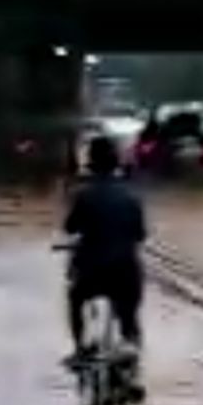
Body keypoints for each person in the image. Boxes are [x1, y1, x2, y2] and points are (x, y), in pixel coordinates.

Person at [63, 136, 147, 370]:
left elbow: (70, 227)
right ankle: (131, 349)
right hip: (127, 273)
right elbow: (140, 235)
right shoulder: (132, 196)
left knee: (75, 298)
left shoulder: (83, 195)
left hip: (93, 272)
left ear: (91, 163)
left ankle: (80, 348)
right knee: (129, 315)